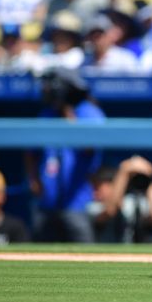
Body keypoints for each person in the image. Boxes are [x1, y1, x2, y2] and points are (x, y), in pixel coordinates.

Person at [24, 68, 104, 242]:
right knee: (40, 258)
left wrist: (70, 119)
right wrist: (33, 178)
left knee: (85, 259)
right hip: (47, 201)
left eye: (51, 85)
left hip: (78, 201)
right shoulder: (47, 114)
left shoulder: (88, 112)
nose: (46, 90)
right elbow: (31, 152)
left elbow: (91, 147)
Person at [88, 156, 152, 243]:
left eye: (98, 188)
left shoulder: (132, 201)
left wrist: (147, 177)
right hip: (109, 253)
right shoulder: (92, 207)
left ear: (112, 185)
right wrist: (123, 172)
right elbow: (110, 210)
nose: (94, 192)